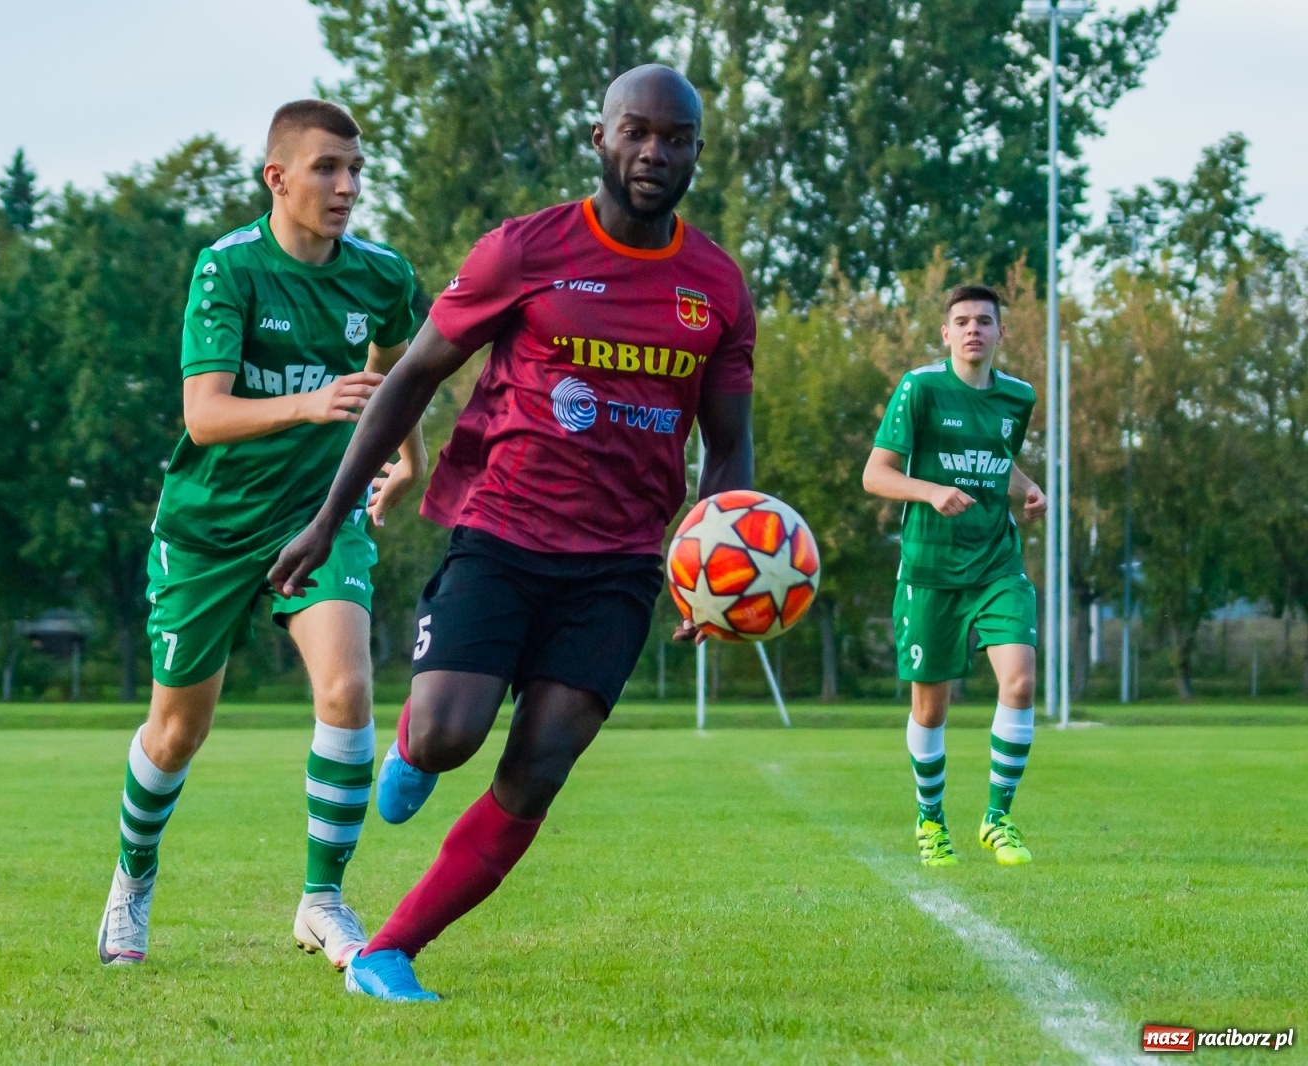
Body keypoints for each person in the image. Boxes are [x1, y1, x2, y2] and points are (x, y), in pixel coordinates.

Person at [271, 64, 757, 1002]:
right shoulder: (522, 251)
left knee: (538, 769)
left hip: (618, 564)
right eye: (637, 132)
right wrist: (329, 516)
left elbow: (729, 450)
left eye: (677, 138)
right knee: (453, 733)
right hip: (502, 531)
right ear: (601, 138)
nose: (655, 152)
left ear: (697, 151)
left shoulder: (717, 288)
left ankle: (389, 951)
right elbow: (413, 377)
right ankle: (415, 747)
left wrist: (714, 569)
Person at [97, 99, 426, 970]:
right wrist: (312, 402)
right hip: (208, 530)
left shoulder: (383, 276)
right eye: (327, 168)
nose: (347, 185)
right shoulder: (227, 270)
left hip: (320, 519)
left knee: (349, 692)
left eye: (355, 168)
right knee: (176, 732)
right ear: (276, 178)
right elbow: (202, 417)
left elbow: (401, 373)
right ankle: (132, 879)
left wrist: (410, 458)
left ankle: (323, 900)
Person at [861, 284, 1047, 868]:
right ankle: (931, 820)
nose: (973, 330)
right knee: (931, 707)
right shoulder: (920, 388)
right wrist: (931, 490)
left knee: (1018, 682)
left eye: (984, 322)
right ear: (946, 334)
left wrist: (1027, 487)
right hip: (930, 568)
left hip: (996, 562)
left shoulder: (1019, 397)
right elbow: (876, 474)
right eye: (962, 321)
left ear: (1000, 333)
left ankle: (998, 819)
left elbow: (996, 461)